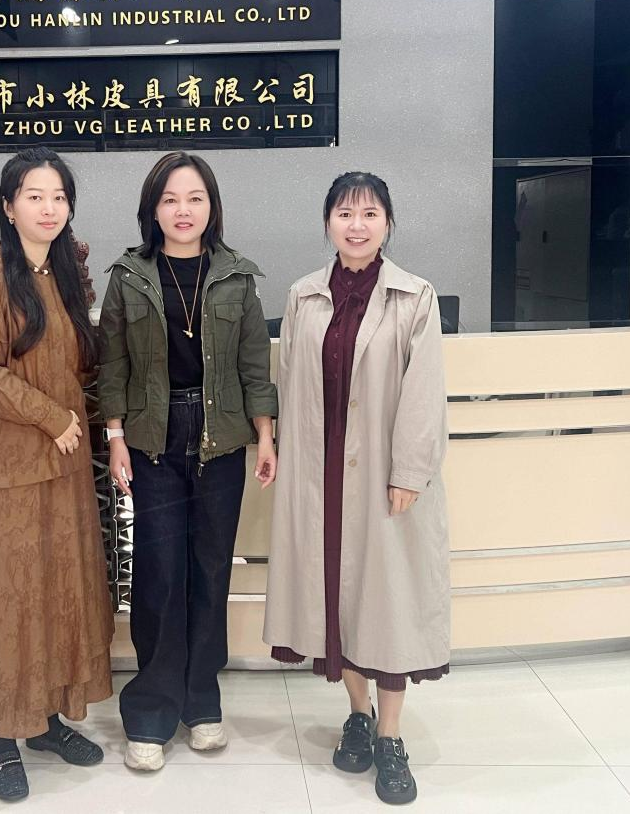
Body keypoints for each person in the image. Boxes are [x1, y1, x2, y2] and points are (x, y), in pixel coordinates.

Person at [263, 171, 450, 806]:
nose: (357, 225)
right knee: (338, 601)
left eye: (370, 213)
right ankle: (358, 713)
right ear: (328, 223)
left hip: (384, 476)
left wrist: (409, 472)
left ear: (387, 223)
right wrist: (282, 451)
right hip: (320, 475)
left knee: (389, 602)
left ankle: (391, 738)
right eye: (345, 213)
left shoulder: (415, 297)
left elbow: (425, 393)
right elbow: (289, 381)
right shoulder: (304, 296)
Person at [0, 147, 114, 804]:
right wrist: (50, 415)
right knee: (6, 601)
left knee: (57, 594)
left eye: (58, 196)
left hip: (62, 468)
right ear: (9, 207)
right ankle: (1, 738)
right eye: (34, 196)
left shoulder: (65, 276)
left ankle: (43, 721)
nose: (48, 208)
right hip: (5, 467)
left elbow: (79, 366)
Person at [98, 151, 278, 772]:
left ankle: (201, 701)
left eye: (195, 198)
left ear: (211, 207)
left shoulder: (236, 276)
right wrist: (115, 436)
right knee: (159, 572)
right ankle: (151, 710)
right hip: (153, 438)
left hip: (220, 437)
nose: (183, 210)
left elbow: (254, 363)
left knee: (210, 570)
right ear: (153, 209)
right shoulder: (129, 276)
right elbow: (113, 364)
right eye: (171, 199)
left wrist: (265, 436)